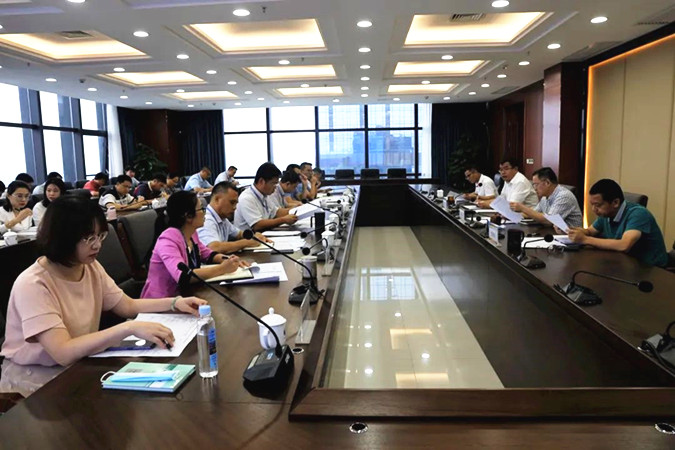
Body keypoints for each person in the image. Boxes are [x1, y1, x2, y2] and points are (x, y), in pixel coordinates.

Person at [0, 196, 207, 397]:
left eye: (100, 236)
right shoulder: (33, 284)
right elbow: (63, 351)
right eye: (89, 238)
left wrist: (175, 303)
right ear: (62, 238)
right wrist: (128, 328)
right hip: (36, 384)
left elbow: (127, 305)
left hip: (80, 365)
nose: (97, 245)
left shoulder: (88, 266)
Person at [142, 191, 246, 298]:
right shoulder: (167, 240)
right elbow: (182, 276)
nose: (205, 212)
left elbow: (207, 254)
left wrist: (229, 260)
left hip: (187, 295)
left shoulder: (192, 233)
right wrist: (222, 269)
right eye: (202, 209)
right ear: (188, 216)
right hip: (163, 301)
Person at [568, 179, 668, 267]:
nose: (594, 209)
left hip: (651, 269)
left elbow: (624, 245)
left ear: (615, 203)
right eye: (592, 205)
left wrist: (585, 239)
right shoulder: (606, 214)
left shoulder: (638, 214)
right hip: (624, 263)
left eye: (597, 205)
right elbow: (590, 231)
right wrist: (576, 232)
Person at [197, 181, 272, 254]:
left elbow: (239, 234)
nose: (235, 207)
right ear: (217, 199)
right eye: (232, 202)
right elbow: (213, 248)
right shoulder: (206, 220)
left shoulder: (222, 218)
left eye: (236, 203)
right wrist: (247, 242)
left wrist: (254, 237)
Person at [509, 167, 582, 228]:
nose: (534, 188)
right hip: (553, 233)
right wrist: (510, 215)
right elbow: (534, 213)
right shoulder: (545, 197)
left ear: (547, 183)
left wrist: (523, 208)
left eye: (536, 184)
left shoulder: (564, 196)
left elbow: (549, 221)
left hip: (569, 237)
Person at [234, 163, 298, 232]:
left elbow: (277, 212)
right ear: (261, 181)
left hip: (263, 234)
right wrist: (283, 220)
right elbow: (257, 225)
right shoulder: (247, 198)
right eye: (273, 183)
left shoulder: (265, 195)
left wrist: (298, 210)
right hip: (251, 236)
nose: (275, 187)